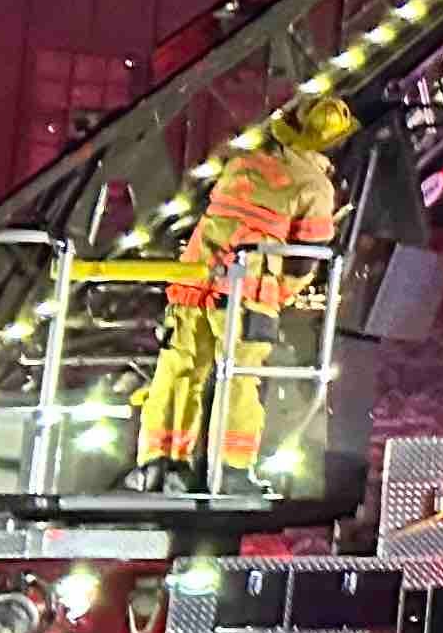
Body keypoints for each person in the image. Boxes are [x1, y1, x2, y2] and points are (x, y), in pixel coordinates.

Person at [130, 94, 353, 491]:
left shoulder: (242, 164)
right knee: (240, 379)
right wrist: (280, 293)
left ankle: (158, 466)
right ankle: (231, 472)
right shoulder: (316, 187)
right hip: (245, 298)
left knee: (178, 372)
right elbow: (304, 260)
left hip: (190, 285)